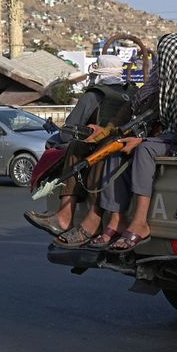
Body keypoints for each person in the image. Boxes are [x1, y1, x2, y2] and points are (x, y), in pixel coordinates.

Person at [53, 34, 177, 251]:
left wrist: (140, 139)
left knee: (117, 149)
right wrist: (103, 132)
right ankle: (89, 217)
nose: (158, 66)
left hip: (165, 144)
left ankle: (98, 218)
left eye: (164, 60)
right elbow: (121, 119)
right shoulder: (150, 90)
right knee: (100, 146)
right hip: (143, 140)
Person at [24, 54, 136, 236]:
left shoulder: (94, 95)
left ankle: (81, 217)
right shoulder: (132, 92)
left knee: (75, 146)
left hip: (112, 146)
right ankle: (64, 217)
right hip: (115, 142)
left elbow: (67, 133)